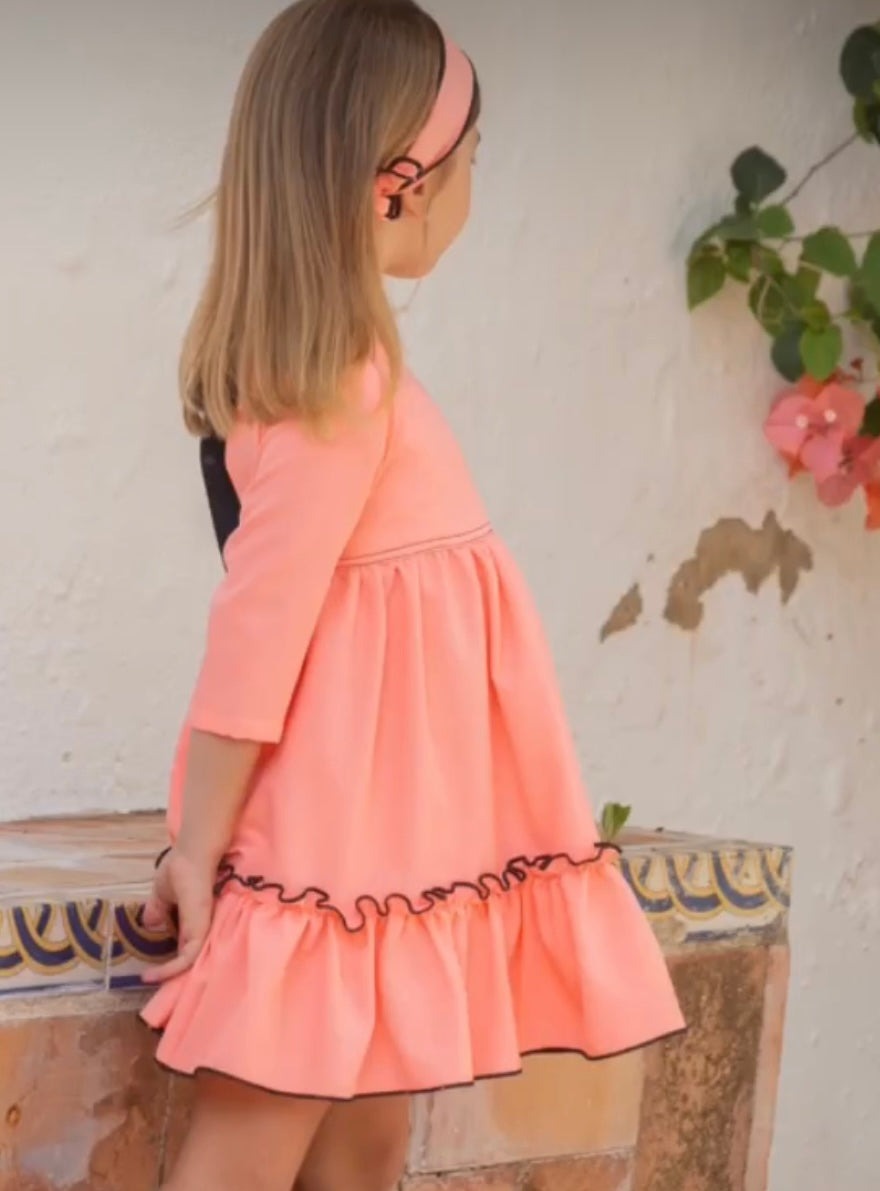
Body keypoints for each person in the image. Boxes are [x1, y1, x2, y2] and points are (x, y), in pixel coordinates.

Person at [140, 2, 685, 1188]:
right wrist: (198, 850)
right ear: (400, 187)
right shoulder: (334, 388)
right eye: (471, 161)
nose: (472, 188)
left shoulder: (343, 376)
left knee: (367, 1145)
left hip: (394, 855)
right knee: (250, 1151)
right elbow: (257, 636)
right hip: (336, 857)